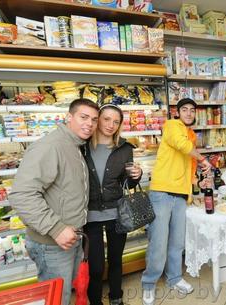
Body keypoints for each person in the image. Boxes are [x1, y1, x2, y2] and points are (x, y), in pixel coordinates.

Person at [9, 98, 99, 305]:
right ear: (69, 117)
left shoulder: (74, 144)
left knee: (65, 294)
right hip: (51, 243)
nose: (89, 124)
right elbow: (22, 195)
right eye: (83, 117)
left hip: (71, 237)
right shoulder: (51, 146)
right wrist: (56, 228)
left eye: (94, 120)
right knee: (56, 298)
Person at [141, 98, 212, 305]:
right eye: (185, 110)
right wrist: (203, 159)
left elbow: (186, 164)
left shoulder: (190, 135)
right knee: (159, 242)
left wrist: (198, 179)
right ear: (177, 112)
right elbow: (181, 146)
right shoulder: (172, 126)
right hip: (162, 192)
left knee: (177, 242)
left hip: (181, 194)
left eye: (192, 110)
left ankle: (174, 278)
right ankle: (148, 284)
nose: (189, 113)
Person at [81, 104, 142, 305]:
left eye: (116, 121)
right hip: (90, 216)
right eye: (106, 119)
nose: (111, 125)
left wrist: (136, 176)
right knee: (96, 267)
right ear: (97, 119)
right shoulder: (82, 146)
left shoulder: (124, 148)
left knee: (116, 261)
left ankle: (116, 298)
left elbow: (127, 182)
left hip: (117, 214)